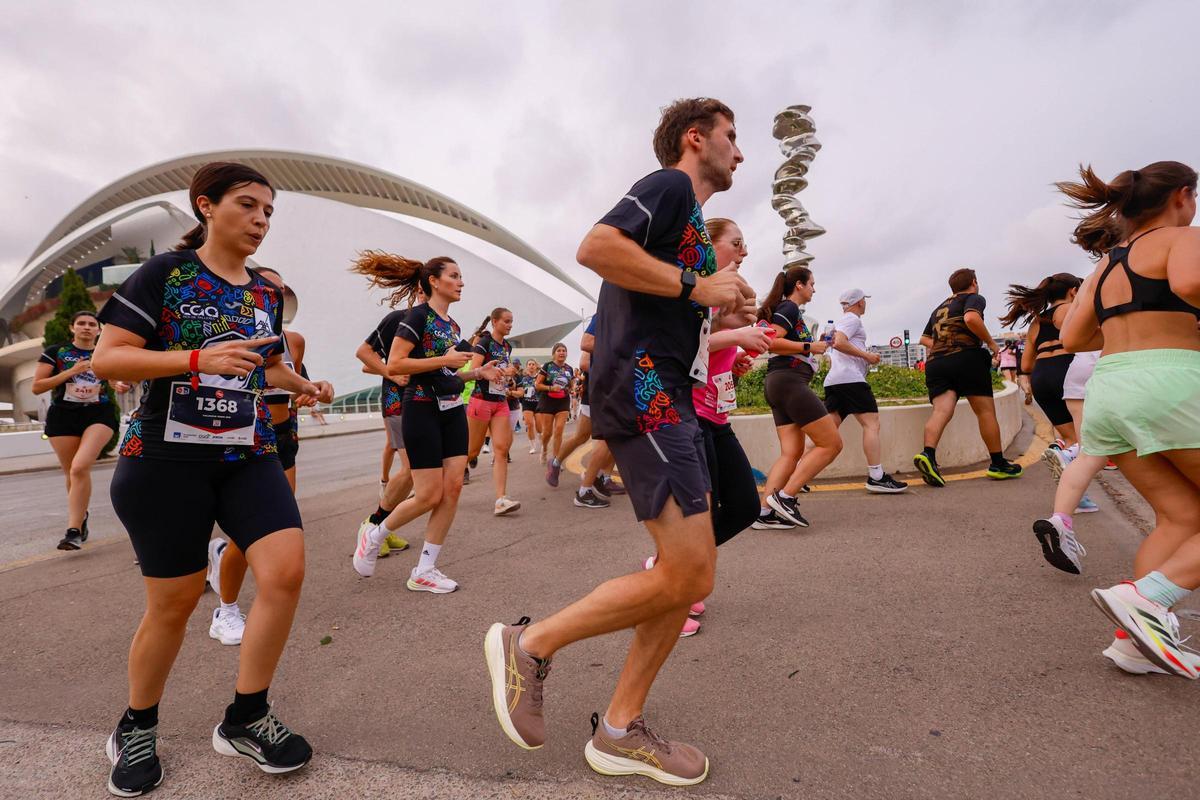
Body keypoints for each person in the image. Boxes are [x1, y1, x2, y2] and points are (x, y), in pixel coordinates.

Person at [484, 97, 747, 786]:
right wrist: (698, 284)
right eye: (731, 137)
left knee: (680, 572)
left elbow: (662, 293)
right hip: (644, 389)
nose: (740, 153)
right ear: (696, 138)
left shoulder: (688, 217)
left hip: (670, 391)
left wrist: (715, 308)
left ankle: (622, 730)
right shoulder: (668, 186)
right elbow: (595, 246)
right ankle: (530, 643)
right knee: (691, 574)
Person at [92, 162, 327, 794]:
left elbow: (265, 367)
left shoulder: (264, 293)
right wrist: (196, 357)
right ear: (205, 207)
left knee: (286, 571)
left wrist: (306, 385)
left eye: (269, 211)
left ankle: (246, 717)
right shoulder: (165, 275)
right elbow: (109, 356)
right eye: (248, 205)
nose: (260, 220)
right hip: (165, 462)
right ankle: (136, 726)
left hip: (249, 453)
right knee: (171, 603)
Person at [1056, 161, 1200, 678]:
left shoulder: (1105, 266)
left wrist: (1130, 329)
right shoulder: (1183, 238)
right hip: (1170, 382)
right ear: (1182, 196)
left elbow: (1073, 339)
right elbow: (1190, 279)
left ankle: (1135, 644)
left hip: (1111, 389)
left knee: (1182, 518)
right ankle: (1150, 599)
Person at [643, 216, 769, 638]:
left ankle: (672, 568)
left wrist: (739, 360)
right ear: (710, 246)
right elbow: (682, 349)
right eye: (737, 242)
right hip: (688, 415)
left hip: (716, 416)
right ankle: (671, 587)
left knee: (746, 507)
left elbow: (712, 358)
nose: (744, 251)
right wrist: (737, 336)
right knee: (701, 514)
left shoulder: (727, 297)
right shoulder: (695, 291)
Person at [350, 254, 502, 592]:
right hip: (419, 408)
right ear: (433, 281)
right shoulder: (415, 317)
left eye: (461, 276)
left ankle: (425, 569)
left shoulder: (453, 326)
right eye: (454, 275)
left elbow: (448, 375)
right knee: (428, 495)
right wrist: (445, 359)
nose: (461, 282)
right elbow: (396, 364)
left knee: (453, 489)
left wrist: (477, 372)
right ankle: (374, 534)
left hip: (451, 411)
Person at [206, 267, 334, 647]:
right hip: (240, 435)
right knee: (251, 534)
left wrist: (313, 390)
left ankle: (224, 561)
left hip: (282, 436)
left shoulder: (293, 340)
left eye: (282, 290)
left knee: (270, 527)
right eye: (268, 287)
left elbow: (293, 381)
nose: (275, 294)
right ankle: (226, 609)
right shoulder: (229, 332)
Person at [912, 268, 1022, 486]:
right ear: (974, 282)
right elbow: (971, 318)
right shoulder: (974, 298)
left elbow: (924, 339)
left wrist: (945, 349)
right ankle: (998, 463)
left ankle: (928, 455)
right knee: (985, 412)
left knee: (942, 411)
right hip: (967, 359)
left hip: (936, 363)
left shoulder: (938, 308)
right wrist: (992, 345)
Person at [32, 310, 127, 550]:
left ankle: (72, 531)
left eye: (92, 324)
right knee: (71, 474)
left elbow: (118, 379)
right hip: (63, 415)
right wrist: (71, 371)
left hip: (99, 414)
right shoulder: (56, 352)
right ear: (72, 328)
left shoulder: (104, 353)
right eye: (81, 323)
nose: (86, 327)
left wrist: (120, 384)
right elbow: (37, 386)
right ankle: (81, 518)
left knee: (80, 466)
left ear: (99, 330)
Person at [752, 266, 838, 529]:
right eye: (812, 283)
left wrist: (814, 346)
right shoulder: (788, 308)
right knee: (831, 443)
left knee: (792, 452)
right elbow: (771, 342)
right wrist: (810, 346)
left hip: (779, 381)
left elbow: (783, 341)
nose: (815, 288)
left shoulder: (788, 311)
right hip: (789, 381)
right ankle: (786, 497)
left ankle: (765, 514)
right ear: (799, 285)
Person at [354, 287, 423, 560]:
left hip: (425, 404)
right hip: (398, 402)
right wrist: (392, 374)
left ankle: (382, 525)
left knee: (414, 473)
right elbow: (364, 354)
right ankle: (371, 526)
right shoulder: (400, 319)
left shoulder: (439, 327)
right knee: (410, 470)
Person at [823, 288, 908, 493]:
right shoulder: (852, 320)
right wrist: (866, 356)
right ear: (859, 302)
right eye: (864, 301)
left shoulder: (840, 321)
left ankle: (797, 471)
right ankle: (876, 477)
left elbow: (832, 344)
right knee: (872, 424)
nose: (865, 304)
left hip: (834, 380)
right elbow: (840, 342)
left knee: (826, 431)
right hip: (850, 379)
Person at [1001, 273, 1083, 447]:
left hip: (1041, 379)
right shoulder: (1072, 310)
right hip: (1068, 372)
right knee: (1087, 438)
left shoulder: (1036, 323)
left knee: (1071, 439)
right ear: (1073, 292)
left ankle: (1064, 458)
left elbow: (1026, 365)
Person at [465, 307, 521, 516]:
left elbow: (501, 375)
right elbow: (474, 371)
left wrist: (508, 375)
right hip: (481, 401)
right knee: (471, 451)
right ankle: (438, 484)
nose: (510, 325)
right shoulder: (484, 343)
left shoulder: (506, 346)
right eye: (506, 321)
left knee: (501, 449)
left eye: (511, 321)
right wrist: (490, 373)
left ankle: (501, 500)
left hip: (500, 401)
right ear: (495, 322)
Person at [535, 343, 575, 465]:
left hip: (563, 400)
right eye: (559, 350)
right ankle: (545, 448)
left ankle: (556, 460)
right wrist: (551, 388)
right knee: (547, 432)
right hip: (548, 400)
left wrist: (571, 389)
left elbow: (571, 384)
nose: (562, 353)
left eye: (564, 350)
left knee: (559, 430)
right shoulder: (548, 366)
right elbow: (537, 384)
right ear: (554, 354)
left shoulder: (569, 368)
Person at [517, 359, 540, 455]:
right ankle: (533, 446)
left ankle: (543, 443)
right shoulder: (523, 379)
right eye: (529, 364)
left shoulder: (540, 377)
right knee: (529, 424)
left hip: (539, 403)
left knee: (540, 427)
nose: (531, 366)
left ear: (536, 366)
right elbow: (519, 391)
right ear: (527, 367)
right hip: (527, 404)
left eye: (533, 364)